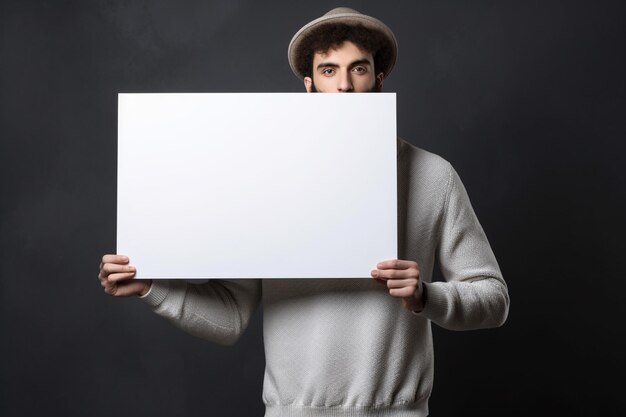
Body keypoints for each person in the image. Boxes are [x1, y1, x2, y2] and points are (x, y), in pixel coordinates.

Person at [99, 7, 509, 417]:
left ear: (379, 79)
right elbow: (230, 317)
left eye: (358, 69)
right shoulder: (266, 177)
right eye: (329, 71)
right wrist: (151, 288)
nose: (345, 86)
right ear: (309, 85)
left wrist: (426, 296)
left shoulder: (433, 175)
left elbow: (494, 299)